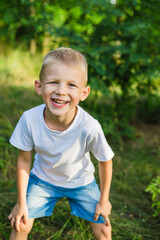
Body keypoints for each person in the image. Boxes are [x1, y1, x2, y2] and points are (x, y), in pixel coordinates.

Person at [8, 47, 114, 240]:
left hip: (81, 182)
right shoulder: (29, 119)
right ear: (39, 86)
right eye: (53, 82)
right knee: (20, 223)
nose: (61, 91)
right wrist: (21, 202)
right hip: (43, 180)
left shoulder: (89, 126)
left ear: (84, 92)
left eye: (71, 85)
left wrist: (104, 200)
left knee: (104, 228)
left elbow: (105, 160)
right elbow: (24, 161)